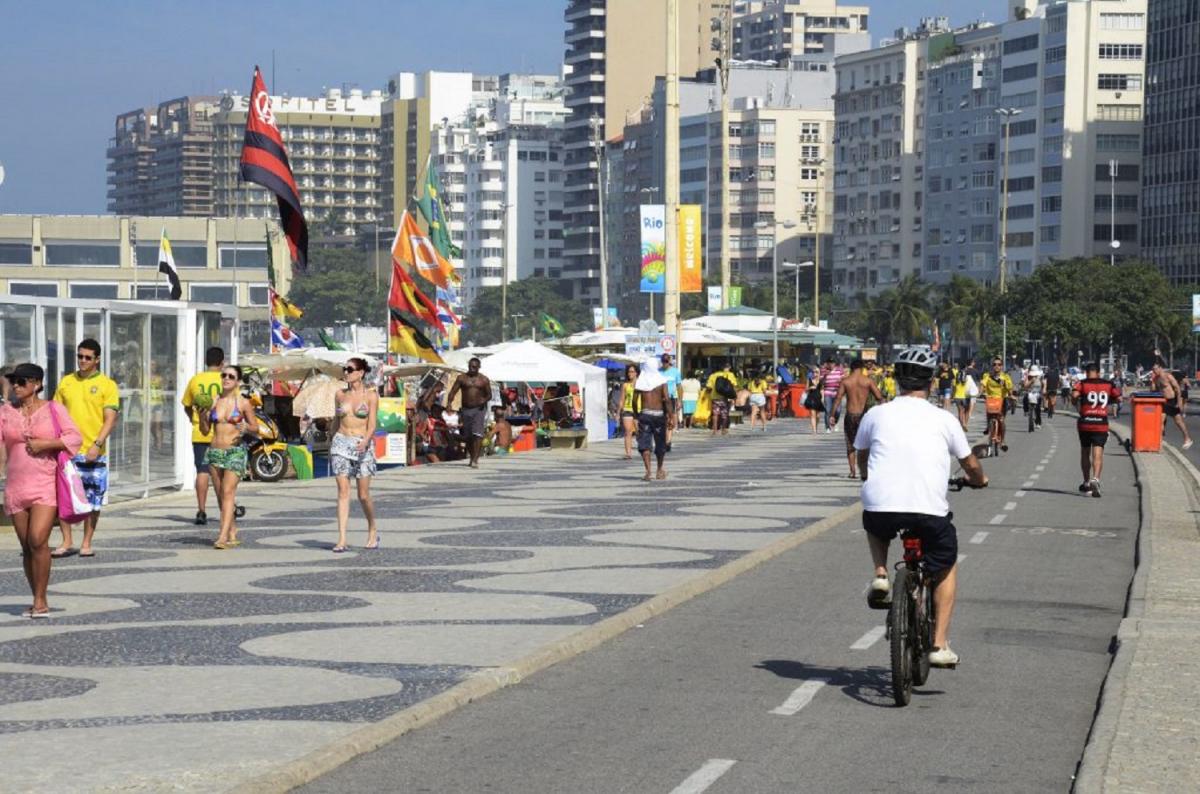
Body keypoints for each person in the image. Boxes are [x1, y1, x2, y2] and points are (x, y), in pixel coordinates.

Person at [854, 347, 987, 668]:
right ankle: (939, 645)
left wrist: (868, 478)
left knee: (875, 521)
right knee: (945, 565)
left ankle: (881, 574)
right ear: (930, 381)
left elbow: (862, 454)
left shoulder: (876, 414)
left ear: (897, 379)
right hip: (929, 512)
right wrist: (979, 479)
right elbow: (969, 463)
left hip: (881, 507)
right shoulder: (944, 419)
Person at [1, 364, 82, 619]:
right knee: (26, 546)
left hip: (45, 483)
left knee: (38, 539)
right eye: (13, 381)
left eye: (21, 381)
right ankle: (35, 595)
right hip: (16, 485)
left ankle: (41, 599)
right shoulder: (5, 412)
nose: (16, 386)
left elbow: (74, 438)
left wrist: (46, 443)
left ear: (36, 383)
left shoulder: (53, 409)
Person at [50, 339, 119, 559]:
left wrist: (97, 445)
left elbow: (110, 419)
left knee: (93, 499)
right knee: (64, 497)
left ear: (97, 359)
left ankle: (86, 542)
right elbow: (55, 414)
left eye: (87, 357)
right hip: (67, 451)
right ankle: (67, 540)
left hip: (93, 451)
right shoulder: (66, 382)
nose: (82, 361)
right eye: (80, 356)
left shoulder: (108, 385)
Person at [198, 365, 257, 549]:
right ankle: (231, 529)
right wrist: (202, 416)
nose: (226, 378)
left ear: (238, 381)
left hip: (235, 451)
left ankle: (222, 536)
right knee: (219, 494)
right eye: (224, 375)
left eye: (231, 376)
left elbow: (256, 428)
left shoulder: (243, 403)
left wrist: (246, 428)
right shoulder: (214, 401)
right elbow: (205, 430)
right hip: (215, 451)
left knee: (228, 491)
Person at [331, 357, 379, 552]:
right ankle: (342, 538)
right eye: (344, 369)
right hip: (340, 443)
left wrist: (366, 440)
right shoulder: (339, 394)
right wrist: (330, 441)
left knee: (363, 495)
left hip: (362, 444)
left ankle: (372, 528)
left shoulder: (371, 396)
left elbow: (373, 423)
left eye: (350, 369)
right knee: (343, 492)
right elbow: (336, 419)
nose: (346, 372)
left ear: (361, 373)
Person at [181, 347, 226, 525]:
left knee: (202, 471)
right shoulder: (226, 381)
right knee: (222, 474)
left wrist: (193, 419)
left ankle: (201, 510)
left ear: (206, 361)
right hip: (221, 434)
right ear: (222, 363)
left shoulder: (196, 380)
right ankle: (226, 507)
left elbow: (186, 404)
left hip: (199, 432)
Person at [1072, 362, 1122, 498]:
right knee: (1098, 452)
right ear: (1098, 372)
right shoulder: (1108, 384)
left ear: (1086, 372)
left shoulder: (1082, 384)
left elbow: (1075, 396)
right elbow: (1119, 397)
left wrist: (1077, 403)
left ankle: (1086, 482)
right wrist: (1109, 405)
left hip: (1085, 423)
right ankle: (1096, 479)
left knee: (1085, 452)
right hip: (1101, 423)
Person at [834, 359, 884, 479]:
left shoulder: (846, 381)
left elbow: (838, 398)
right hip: (864, 415)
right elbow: (879, 397)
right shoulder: (868, 381)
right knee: (866, 444)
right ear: (862, 368)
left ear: (851, 368)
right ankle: (865, 471)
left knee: (850, 445)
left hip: (850, 415)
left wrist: (832, 415)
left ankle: (852, 472)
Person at [446, 356, 493, 467]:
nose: (472, 369)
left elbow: (489, 395)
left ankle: (475, 459)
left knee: (477, 434)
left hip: (479, 409)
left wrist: (484, 400)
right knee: (468, 436)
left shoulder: (484, 380)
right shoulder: (462, 378)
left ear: (479, 367)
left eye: (474, 367)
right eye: (470, 366)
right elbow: (453, 391)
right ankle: (472, 456)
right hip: (466, 410)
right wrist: (449, 403)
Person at [633, 357, 675, 480]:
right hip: (658, 415)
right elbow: (667, 399)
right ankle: (659, 470)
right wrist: (671, 416)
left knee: (645, 444)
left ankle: (648, 471)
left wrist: (636, 414)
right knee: (660, 443)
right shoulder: (662, 380)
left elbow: (634, 401)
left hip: (645, 415)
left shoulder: (640, 381)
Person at [1150, 358, 1193, 449]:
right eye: (1153, 369)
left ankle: (1187, 438)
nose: (1154, 371)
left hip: (1172, 401)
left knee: (1179, 422)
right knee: (1160, 420)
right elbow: (1153, 390)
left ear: (1160, 368)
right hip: (1163, 402)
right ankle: (1159, 441)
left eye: (1155, 369)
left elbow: (1177, 388)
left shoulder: (1168, 376)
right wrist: (1152, 381)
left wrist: (1179, 402)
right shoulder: (1156, 379)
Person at [980, 358, 1014, 452]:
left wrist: (1011, 395)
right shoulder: (987, 375)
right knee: (989, 414)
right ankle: (989, 426)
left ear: (1001, 366)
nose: (996, 366)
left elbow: (1009, 387)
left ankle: (1002, 441)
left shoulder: (1005, 377)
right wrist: (981, 392)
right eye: (994, 364)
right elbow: (983, 384)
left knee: (1002, 421)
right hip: (990, 399)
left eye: (999, 364)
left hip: (1002, 400)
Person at [706, 361, 737, 436]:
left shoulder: (712, 375)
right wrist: (734, 397)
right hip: (725, 397)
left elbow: (709, 387)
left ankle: (715, 430)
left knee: (715, 414)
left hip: (715, 397)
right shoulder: (729, 375)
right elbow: (734, 385)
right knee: (724, 414)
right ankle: (723, 429)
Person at [660, 353, 682, 446]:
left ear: (669, 361)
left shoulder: (675, 372)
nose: (665, 363)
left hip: (671, 398)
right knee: (662, 419)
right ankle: (664, 439)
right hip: (661, 399)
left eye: (666, 361)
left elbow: (679, 386)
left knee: (670, 418)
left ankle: (668, 441)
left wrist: (679, 401)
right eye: (663, 361)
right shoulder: (658, 372)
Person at [617, 364, 638, 458]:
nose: (630, 373)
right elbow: (621, 399)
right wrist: (618, 412)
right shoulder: (625, 385)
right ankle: (628, 453)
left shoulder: (641, 384)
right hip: (627, 409)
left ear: (636, 373)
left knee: (639, 431)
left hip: (639, 410)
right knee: (628, 431)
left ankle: (645, 449)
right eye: (629, 372)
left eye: (632, 371)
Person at [821, 358, 845, 432]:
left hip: (837, 392)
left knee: (838, 410)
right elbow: (821, 382)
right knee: (828, 410)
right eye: (829, 363)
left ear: (835, 363)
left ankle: (835, 422)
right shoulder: (824, 370)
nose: (831, 364)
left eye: (832, 363)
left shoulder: (840, 370)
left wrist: (841, 380)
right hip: (827, 392)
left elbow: (844, 378)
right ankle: (828, 427)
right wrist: (825, 376)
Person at [1023, 364, 1045, 430]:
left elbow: (1044, 383)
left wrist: (1044, 389)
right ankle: (1026, 411)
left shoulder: (1040, 377)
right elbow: (1025, 386)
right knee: (1025, 399)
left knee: (1038, 409)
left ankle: (1038, 422)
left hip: (1037, 393)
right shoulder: (1028, 377)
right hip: (1030, 392)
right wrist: (1031, 381)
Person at [804, 365, 823, 433]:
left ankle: (816, 426)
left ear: (819, 372)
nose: (815, 373)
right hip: (811, 398)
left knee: (817, 416)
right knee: (812, 414)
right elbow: (805, 390)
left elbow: (822, 390)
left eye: (817, 372)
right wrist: (810, 388)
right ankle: (814, 430)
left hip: (818, 399)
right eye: (814, 372)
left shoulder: (821, 381)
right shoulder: (809, 380)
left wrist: (822, 399)